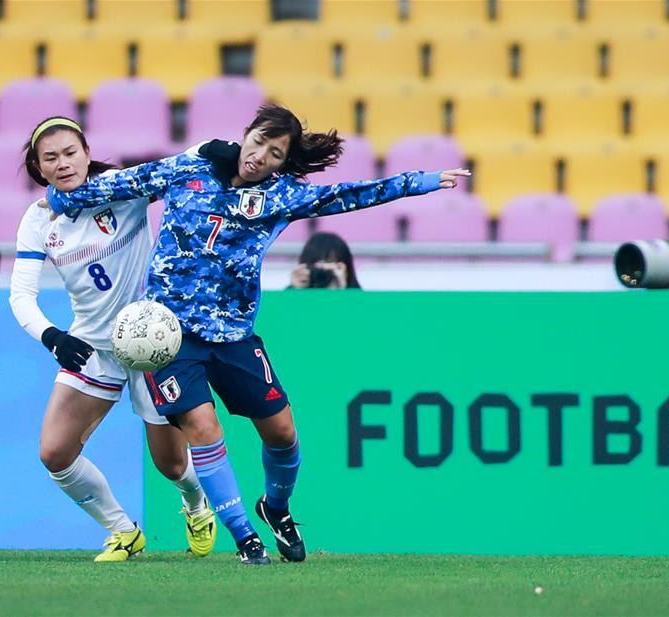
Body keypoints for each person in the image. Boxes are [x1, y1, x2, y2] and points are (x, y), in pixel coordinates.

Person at [44, 103, 470, 565]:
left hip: (233, 335)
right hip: (169, 335)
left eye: (275, 153)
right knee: (202, 428)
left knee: (282, 433)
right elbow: (123, 183)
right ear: (245, 134)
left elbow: (349, 195)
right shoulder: (190, 168)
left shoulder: (280, 196)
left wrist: (421, 181)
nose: (261, 155)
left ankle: (276, 508)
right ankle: (245, 536)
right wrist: (61, 198)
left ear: (283, 161)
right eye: (259, 142)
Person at [9, 117, 217, 562]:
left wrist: (212, 148)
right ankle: (123, 531)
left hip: (150, 344)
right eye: (51, 158)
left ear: (87, 153)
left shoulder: (124, 188)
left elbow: (178, 166)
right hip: (92, 346)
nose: (63, 163)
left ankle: (196, 504)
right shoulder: (39, 218)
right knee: (55, 453)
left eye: (70, 152)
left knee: (171, 465)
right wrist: (53, 337)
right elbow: (21, 296)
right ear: (39, 167)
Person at [289, 232, 361, 289]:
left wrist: (342, 293)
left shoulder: (361, 299)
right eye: (316, 269)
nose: (322, 276)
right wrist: (294, 293)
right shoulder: (290, 295)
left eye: (329, 270)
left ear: (347, 272)